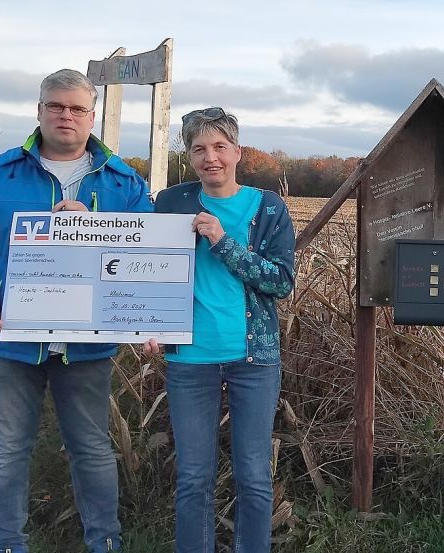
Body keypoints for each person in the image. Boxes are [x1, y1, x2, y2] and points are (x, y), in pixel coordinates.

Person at [0, 69, 152, 553]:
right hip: (9, 339)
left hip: (89, 343)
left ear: (91, 116)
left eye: (77, 109)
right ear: (38, 112)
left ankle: (104, 542)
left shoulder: (125, 184)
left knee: (93, 449)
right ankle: (6, 545)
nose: (66, 116)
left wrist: (96, 227)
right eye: (56, 106)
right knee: (5, 450)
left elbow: (150, 255)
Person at [144, 107, 295, 553]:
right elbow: (144, 268)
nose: (211, 157)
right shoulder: (170, 203)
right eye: (199, 149)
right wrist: (144, 325)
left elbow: (280, 282)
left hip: (254, 359)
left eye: (219, 147)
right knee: (193, 476)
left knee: (253, 474)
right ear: (189, 156)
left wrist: (223, 242)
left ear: (237, 153)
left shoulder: (267, 207)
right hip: (189, 359)